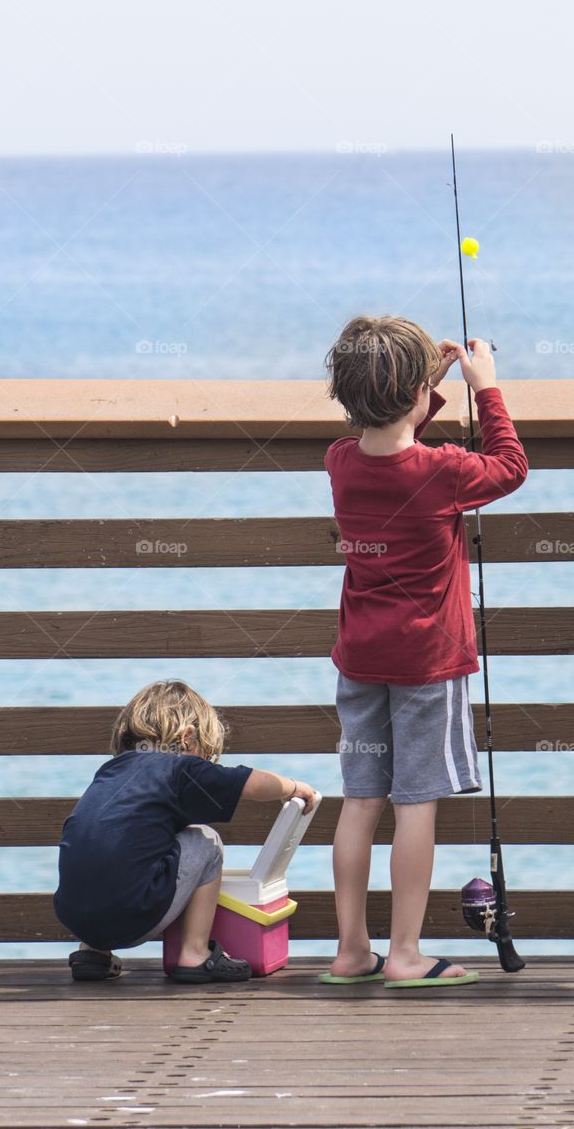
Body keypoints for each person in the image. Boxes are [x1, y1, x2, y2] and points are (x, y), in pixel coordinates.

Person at [319, 315, 528, 988]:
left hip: (360, 659)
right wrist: (485, 387)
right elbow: (511, 468)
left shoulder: (340, 461)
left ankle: (352, 951)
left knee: (360, 800)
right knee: (415, 804)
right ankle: (404, 954)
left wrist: (423, 389)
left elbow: (387, 443)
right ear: (413, 396)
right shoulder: (445, 472)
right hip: (426, 666)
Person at [54, 678, 317, 983]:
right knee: (206, 841)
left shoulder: (112, 770)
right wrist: (293, 787)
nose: (208, 764)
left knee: (115, 850)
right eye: (207, 755)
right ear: (188, 738)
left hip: (74, 914)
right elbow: (251, 782)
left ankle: (93, 953)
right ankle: (195, 954)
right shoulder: (181, 767)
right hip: (132, 913)